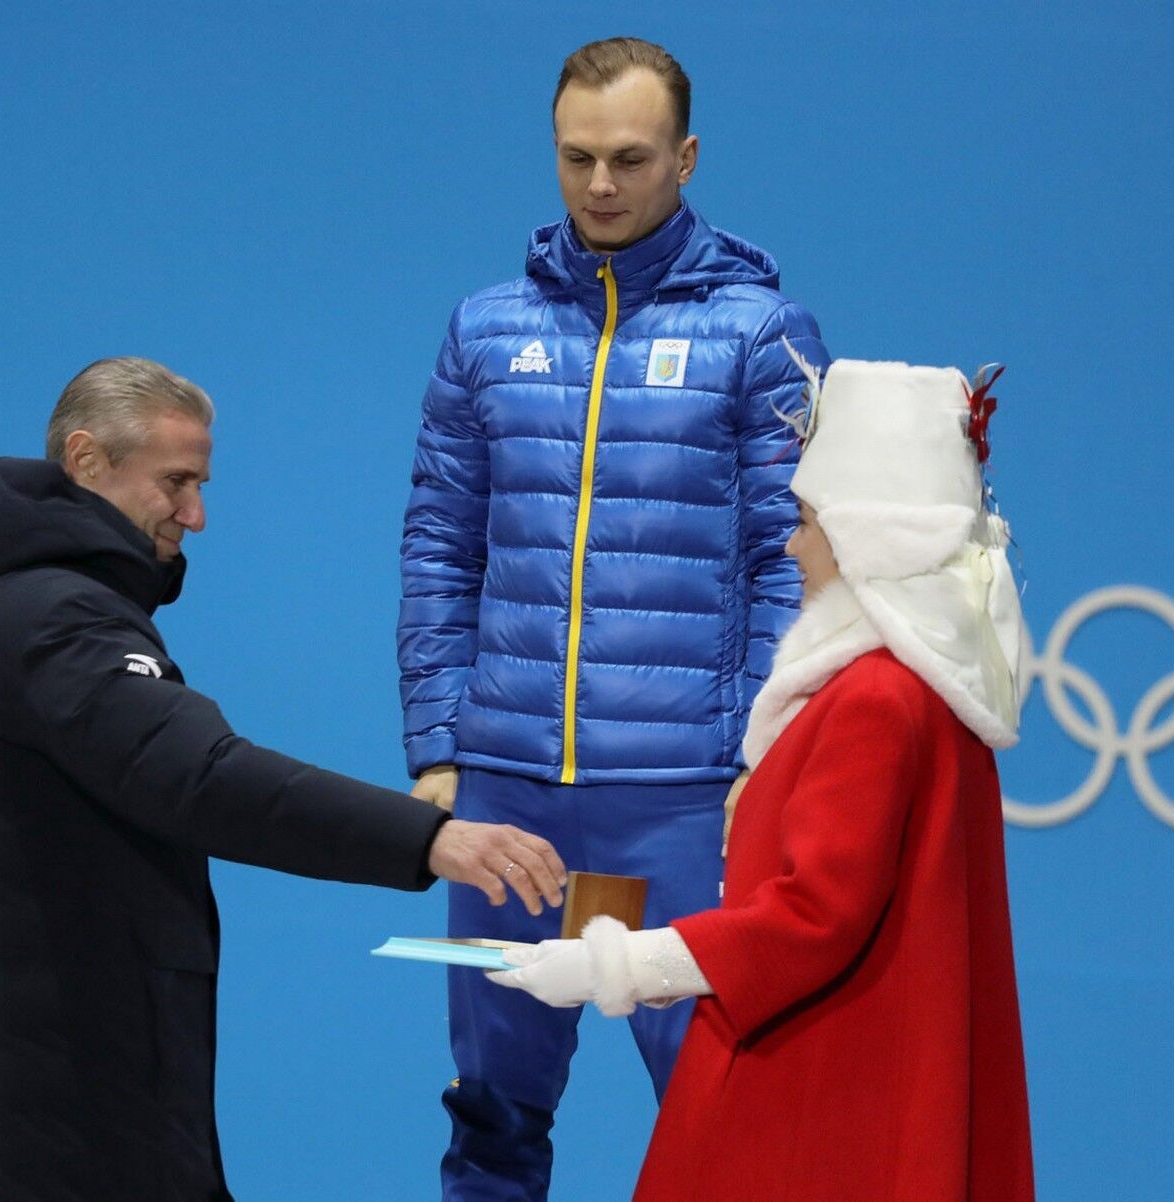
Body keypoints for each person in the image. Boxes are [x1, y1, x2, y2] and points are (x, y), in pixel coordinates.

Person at [0, 356, 567, 1202]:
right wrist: (433, 838)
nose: (195, 515)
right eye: (176, 482)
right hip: (61, 1115)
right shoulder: (55, 618)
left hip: (26, 1089)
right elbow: (200, 778)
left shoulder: (0, 607)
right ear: (88, 460)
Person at [397, 35, 830, 1199]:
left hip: (685, 800)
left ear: (685, 158)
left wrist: (763, 752)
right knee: (489, 1113)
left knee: (718, 1110)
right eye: (577, 157)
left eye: (629, 158)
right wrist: (441, 744)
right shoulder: (484, 329)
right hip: (507, 796)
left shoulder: (760, 334)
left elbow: (789, 561)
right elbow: (441, 542)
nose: (600, 184)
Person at [491, 354, 1037, 1200]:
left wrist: (619, 967)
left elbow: (815, 916)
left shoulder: (875, 702)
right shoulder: (927, 695)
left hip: (818, 1097)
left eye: (810, 521)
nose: (792, 544)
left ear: (870, 538)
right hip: (863, 1088)